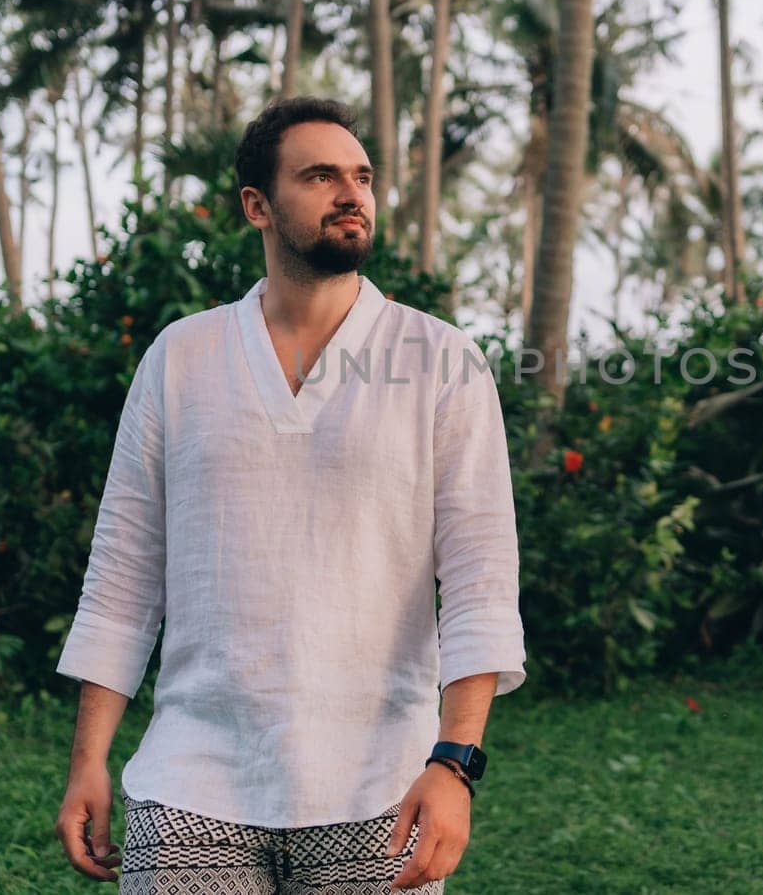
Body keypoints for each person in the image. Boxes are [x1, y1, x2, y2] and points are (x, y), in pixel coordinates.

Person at [52, 97, 528, 893]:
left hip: (382, 785)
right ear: (257, 206)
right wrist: (88, 760)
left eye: (362, 176)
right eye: (320, 175)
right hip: (192, 783)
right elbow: (124, 572)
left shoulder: (442, 359)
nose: (352, 192)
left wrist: (455, 761)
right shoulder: (182, 356)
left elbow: (481, 580)